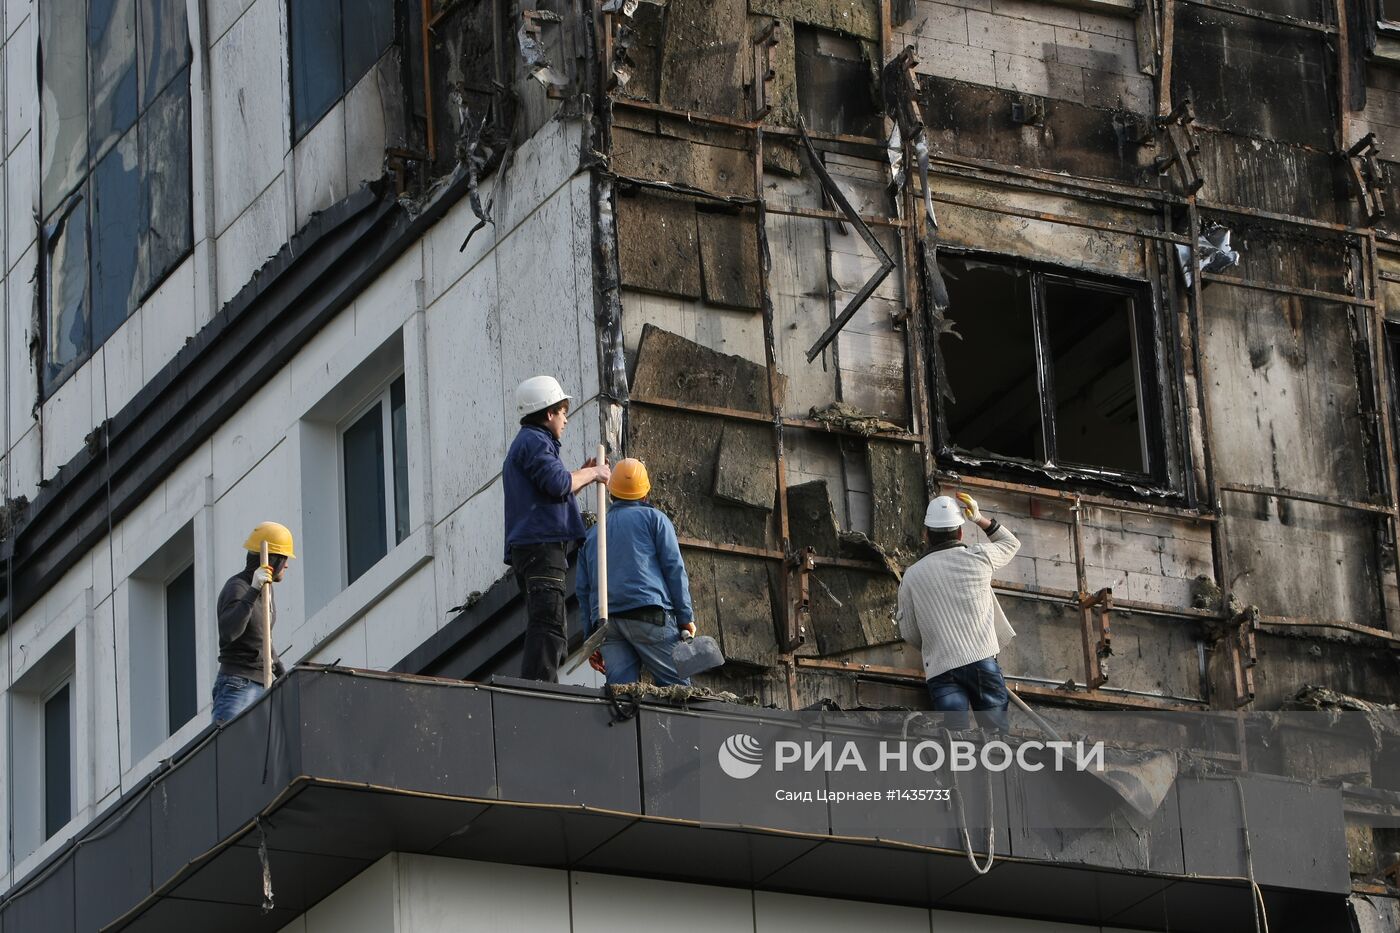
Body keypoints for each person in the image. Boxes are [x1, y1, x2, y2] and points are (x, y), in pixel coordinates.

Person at [504, 375, 610, 682]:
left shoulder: (530, 443)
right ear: (549, 412)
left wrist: (584, 474)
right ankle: (540, 691)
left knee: (547, 621)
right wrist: (594, 472)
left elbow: (552, 495)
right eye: (563, 412)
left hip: (533, 548)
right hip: (541, 549)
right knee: (549, 624)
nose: (565, 419)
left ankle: (541, 686)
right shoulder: (535, 442)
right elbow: (559, 482)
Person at [897, 492, 1020, 731]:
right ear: (961, 532)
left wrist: (939, 644)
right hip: (983, 663)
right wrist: (980, 518)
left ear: (926, 535)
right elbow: (1011, 544)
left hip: (941, 670)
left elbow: (910, 632)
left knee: (955, 737)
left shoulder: (911, 576)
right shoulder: (979, 557)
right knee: (996, 737)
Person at [575, 458, 696, 686]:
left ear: (612, 493)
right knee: (676, 690)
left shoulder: (593, 535)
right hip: (649, 616)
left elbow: (583, 591)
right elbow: (674, 569)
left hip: (607, 624)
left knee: (622, 696)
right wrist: (685, 618)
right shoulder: (656, 520)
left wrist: (590, 640)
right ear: (645, 493)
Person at [213, 521, 295, 724]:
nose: (286, 564)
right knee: (232, 747)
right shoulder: (238, 587)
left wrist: (283, 674)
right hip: (238, 684)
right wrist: (252, 591)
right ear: (272, 559)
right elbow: (229, 632)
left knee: (259, 752)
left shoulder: (266, 590)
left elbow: (262, 638)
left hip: (261, 685)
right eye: (284, 558)